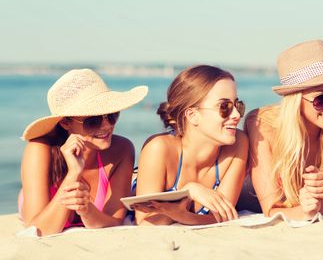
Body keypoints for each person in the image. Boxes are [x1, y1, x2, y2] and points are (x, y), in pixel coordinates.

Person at [244, 40, 323, 220]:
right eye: (321, 99)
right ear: (296, 101)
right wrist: (304, 211)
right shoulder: (262, 125)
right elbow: (270, 210)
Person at [19, 68, 148, 236]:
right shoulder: (40, 150)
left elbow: (114, 221)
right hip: (39, 212)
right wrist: (73, 173)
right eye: (93, 121)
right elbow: (38, 230)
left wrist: (86, 210)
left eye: (111, 115)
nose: (107, 126)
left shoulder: (122, 149)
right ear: (66, 123)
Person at [134, 65, 248, 225]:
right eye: (224, 107)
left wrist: (182, 213)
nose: (236, 115)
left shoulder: (238, 143)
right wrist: (187, 192)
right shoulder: (158, 148)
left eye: (238, 105)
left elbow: (223, 217)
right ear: (192, 115)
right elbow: (146, 223)